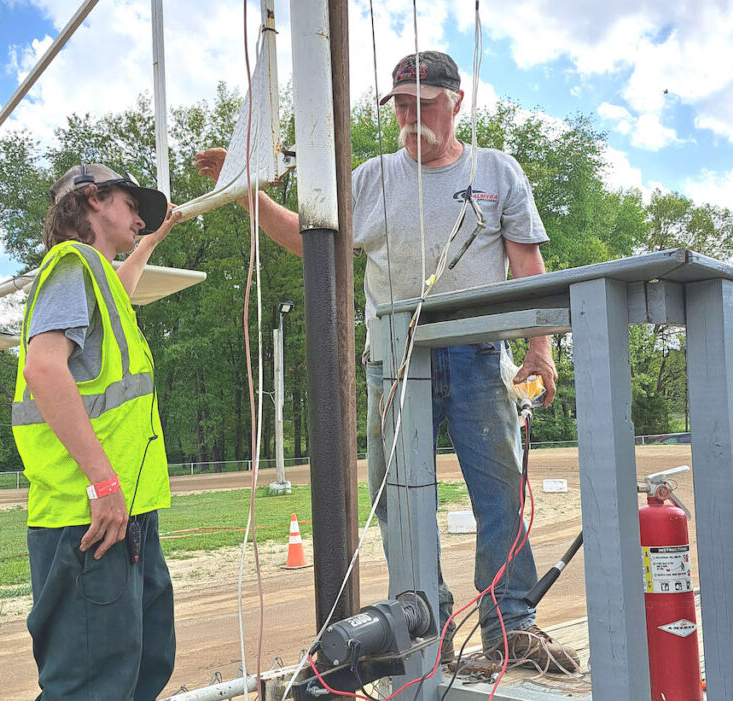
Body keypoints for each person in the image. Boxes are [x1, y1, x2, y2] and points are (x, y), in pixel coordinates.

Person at [194, 51, 577, 672]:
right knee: (399, 498)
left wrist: (540, 348)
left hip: (481, 357)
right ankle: (425, 629)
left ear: (457, 101)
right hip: (396, 362)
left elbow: (528, 267)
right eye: (400, 104)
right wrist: (246, 194)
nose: (409, 116)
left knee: (501, 495)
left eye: (423, 103)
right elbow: (305, 235)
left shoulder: (497, 172)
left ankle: (511, 628)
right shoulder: (372, 178)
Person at [12, 164, 182, 699]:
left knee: (143, 663)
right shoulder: (71, 267)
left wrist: (150, 242)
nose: (138, 219)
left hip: (124, 513)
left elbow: (121, 287)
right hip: (89, 516)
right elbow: (44, 369)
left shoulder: (98, 278)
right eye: (132, 206)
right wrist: (103, 483)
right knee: (91, 683)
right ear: (92, 200)